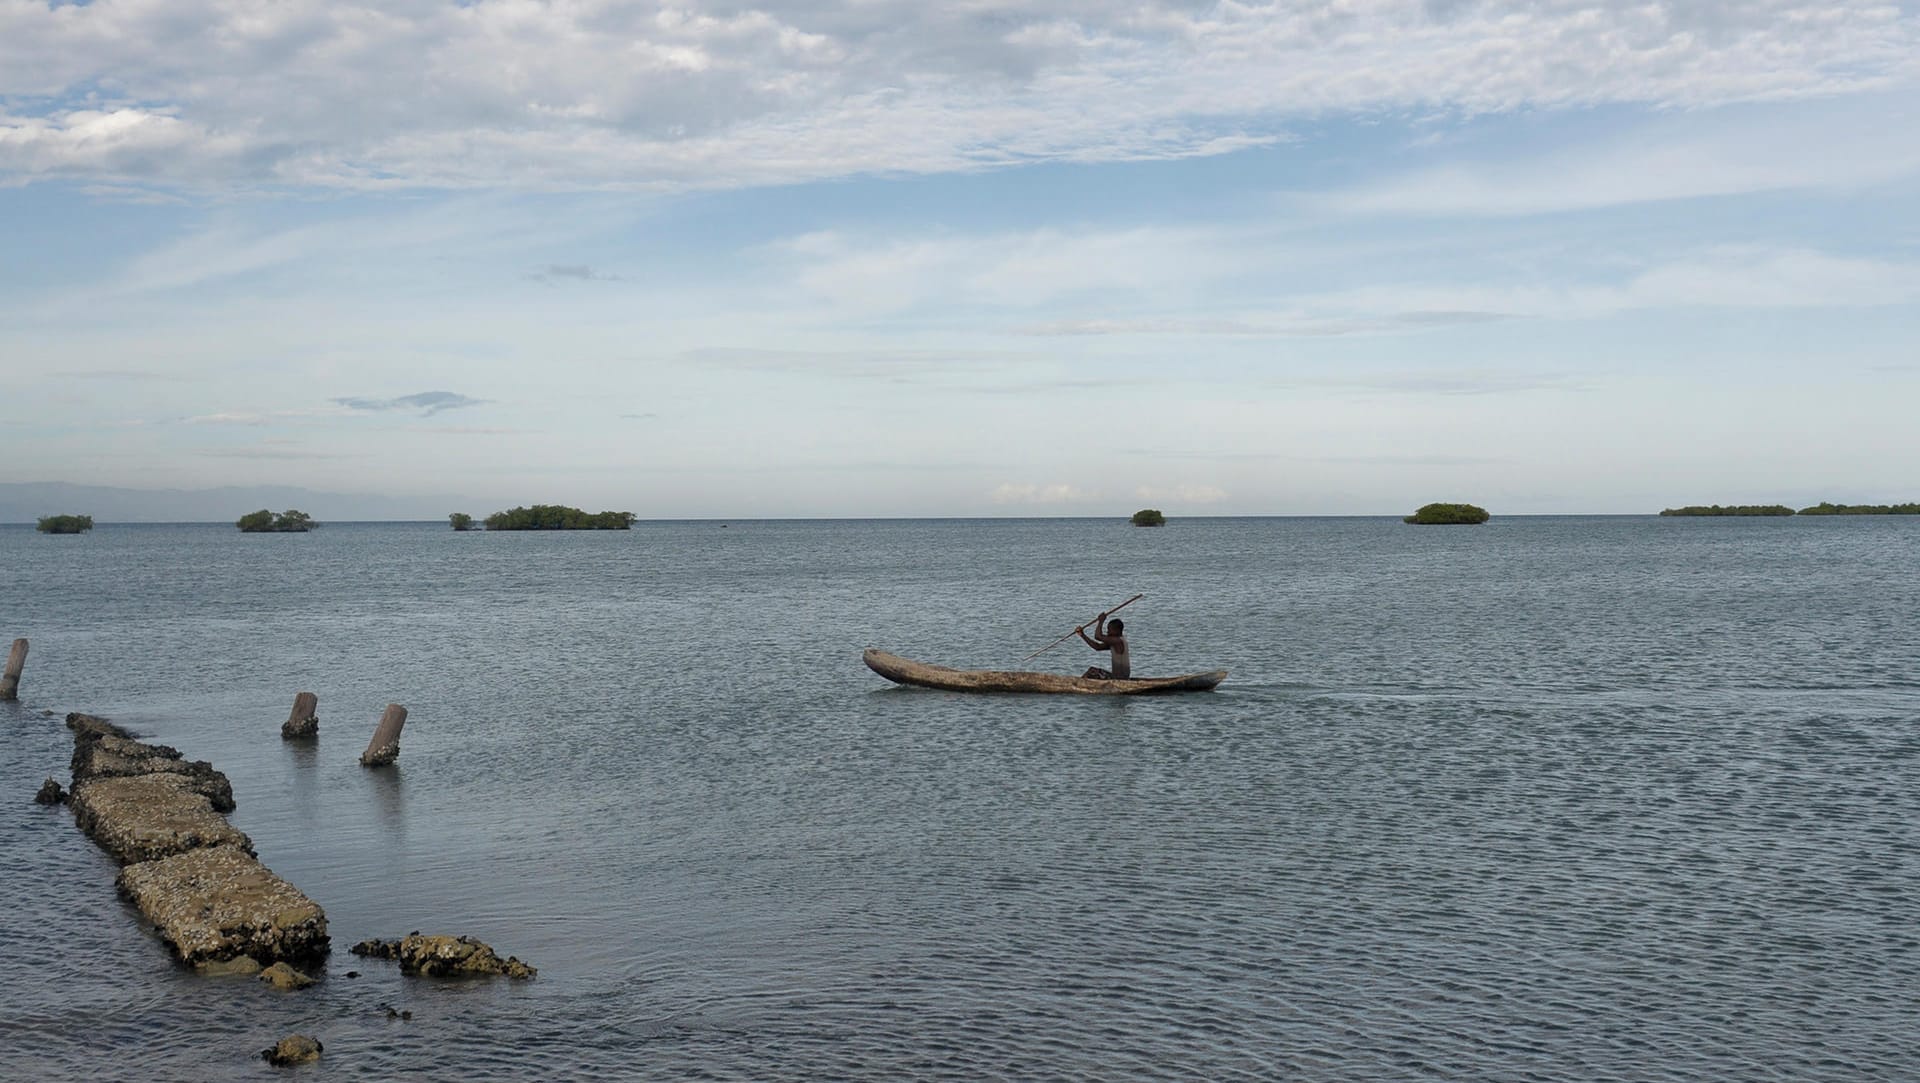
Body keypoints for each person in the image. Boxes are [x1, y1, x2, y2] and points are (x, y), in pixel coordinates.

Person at [1075, 612, 1131, 680]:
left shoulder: (1117, 641)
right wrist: (1082, 635)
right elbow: (1097, 647)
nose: (1108, 632)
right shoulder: (1115, 642)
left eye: (1109, 630)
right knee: (1093, 671)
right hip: (1120, 677)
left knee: (1092, 671)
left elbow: (1098, 636)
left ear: (1117, 630)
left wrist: (1101, 621)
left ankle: (1078, 683)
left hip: (1119, 678)